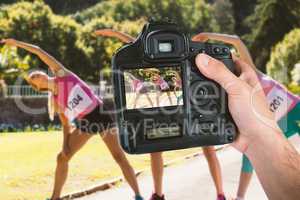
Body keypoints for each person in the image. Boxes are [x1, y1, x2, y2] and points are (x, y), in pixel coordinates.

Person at [0, 38, 144, 200]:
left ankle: (138, 195)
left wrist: (16, 43)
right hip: (85, 123)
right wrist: (65, 145)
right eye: (33, 78)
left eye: (36, 73)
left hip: (100, 115)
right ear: (38, 87)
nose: (36, 74)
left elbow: (38, 51)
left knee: (118, 157)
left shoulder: (62, 74)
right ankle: (55, 198)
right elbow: (65, 124)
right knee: (62, 157)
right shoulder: (55, 100)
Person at [94, 29, 228, 200]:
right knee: (155, 147)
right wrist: (114, 33)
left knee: (207, 146)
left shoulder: (191, 60)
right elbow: (134, 43)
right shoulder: (155, 57)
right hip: (168, 105)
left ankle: (220, 193)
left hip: (189, 103)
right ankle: (158, 194)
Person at [193, 32, 300, 200]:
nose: (232, 56)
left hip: (294, 108)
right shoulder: (233, 88)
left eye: (230, 53)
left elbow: (236, 40)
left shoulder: (250, 71)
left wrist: (208, 35)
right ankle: (239, 197)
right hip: (278, 124)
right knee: (250, 158)